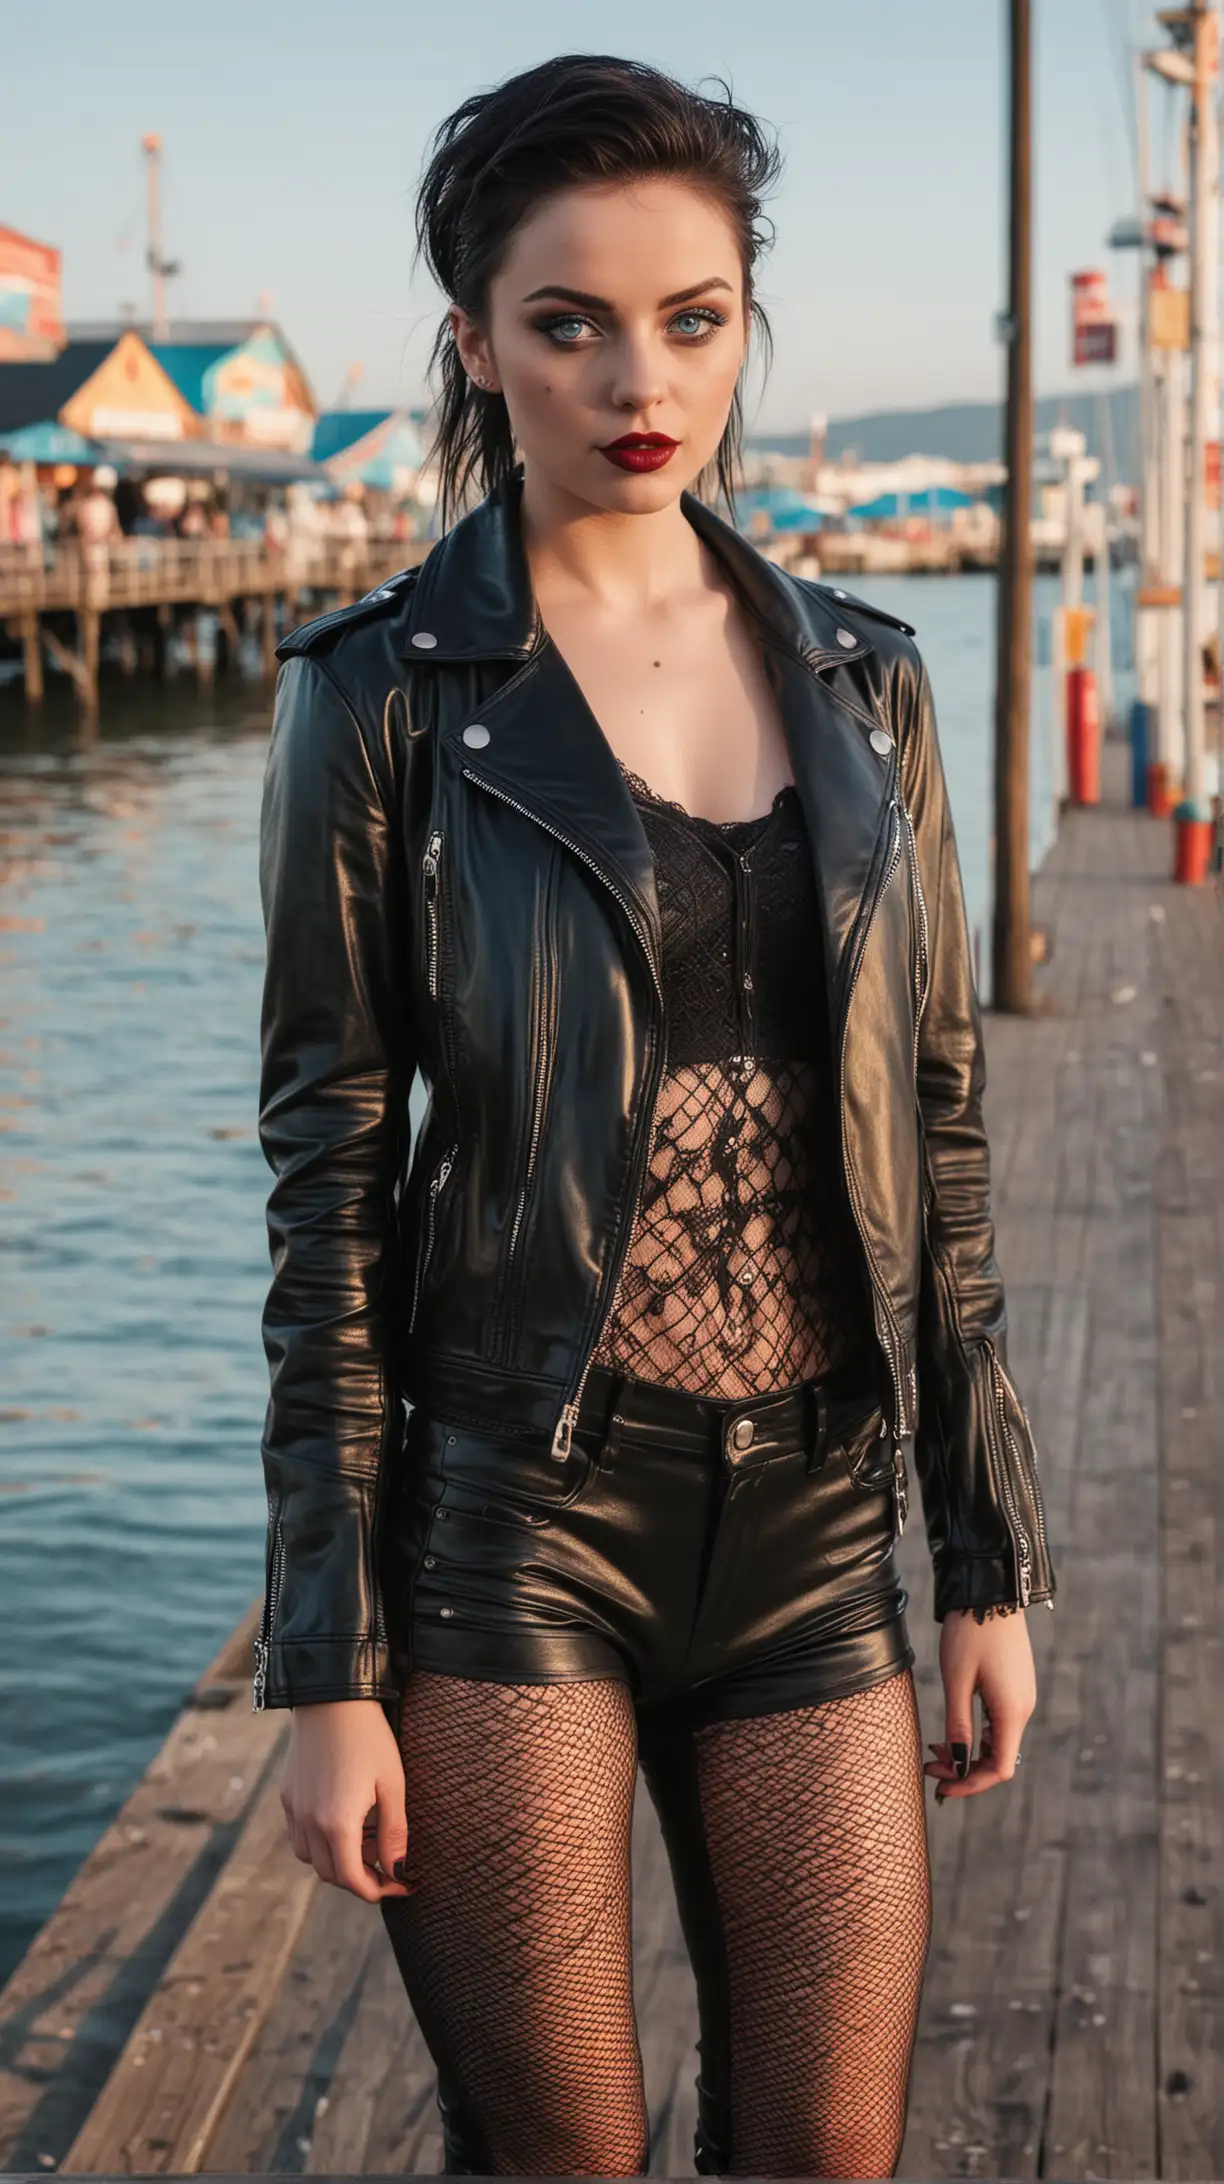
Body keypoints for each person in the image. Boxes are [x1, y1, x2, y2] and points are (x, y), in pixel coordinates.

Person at [254, 54, 1055, 2180]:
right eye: (570, 321)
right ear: (475, 343)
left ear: (742, 324)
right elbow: (329, 1178)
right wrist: (324, 1663)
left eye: (693, 318)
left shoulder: (867, 678)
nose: (641, 376)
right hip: (516, 1525)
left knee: (828, 2155)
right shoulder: (379, 694)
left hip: (810, 1531)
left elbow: (940, 1132)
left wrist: (983, 1557)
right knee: (566, 2164)